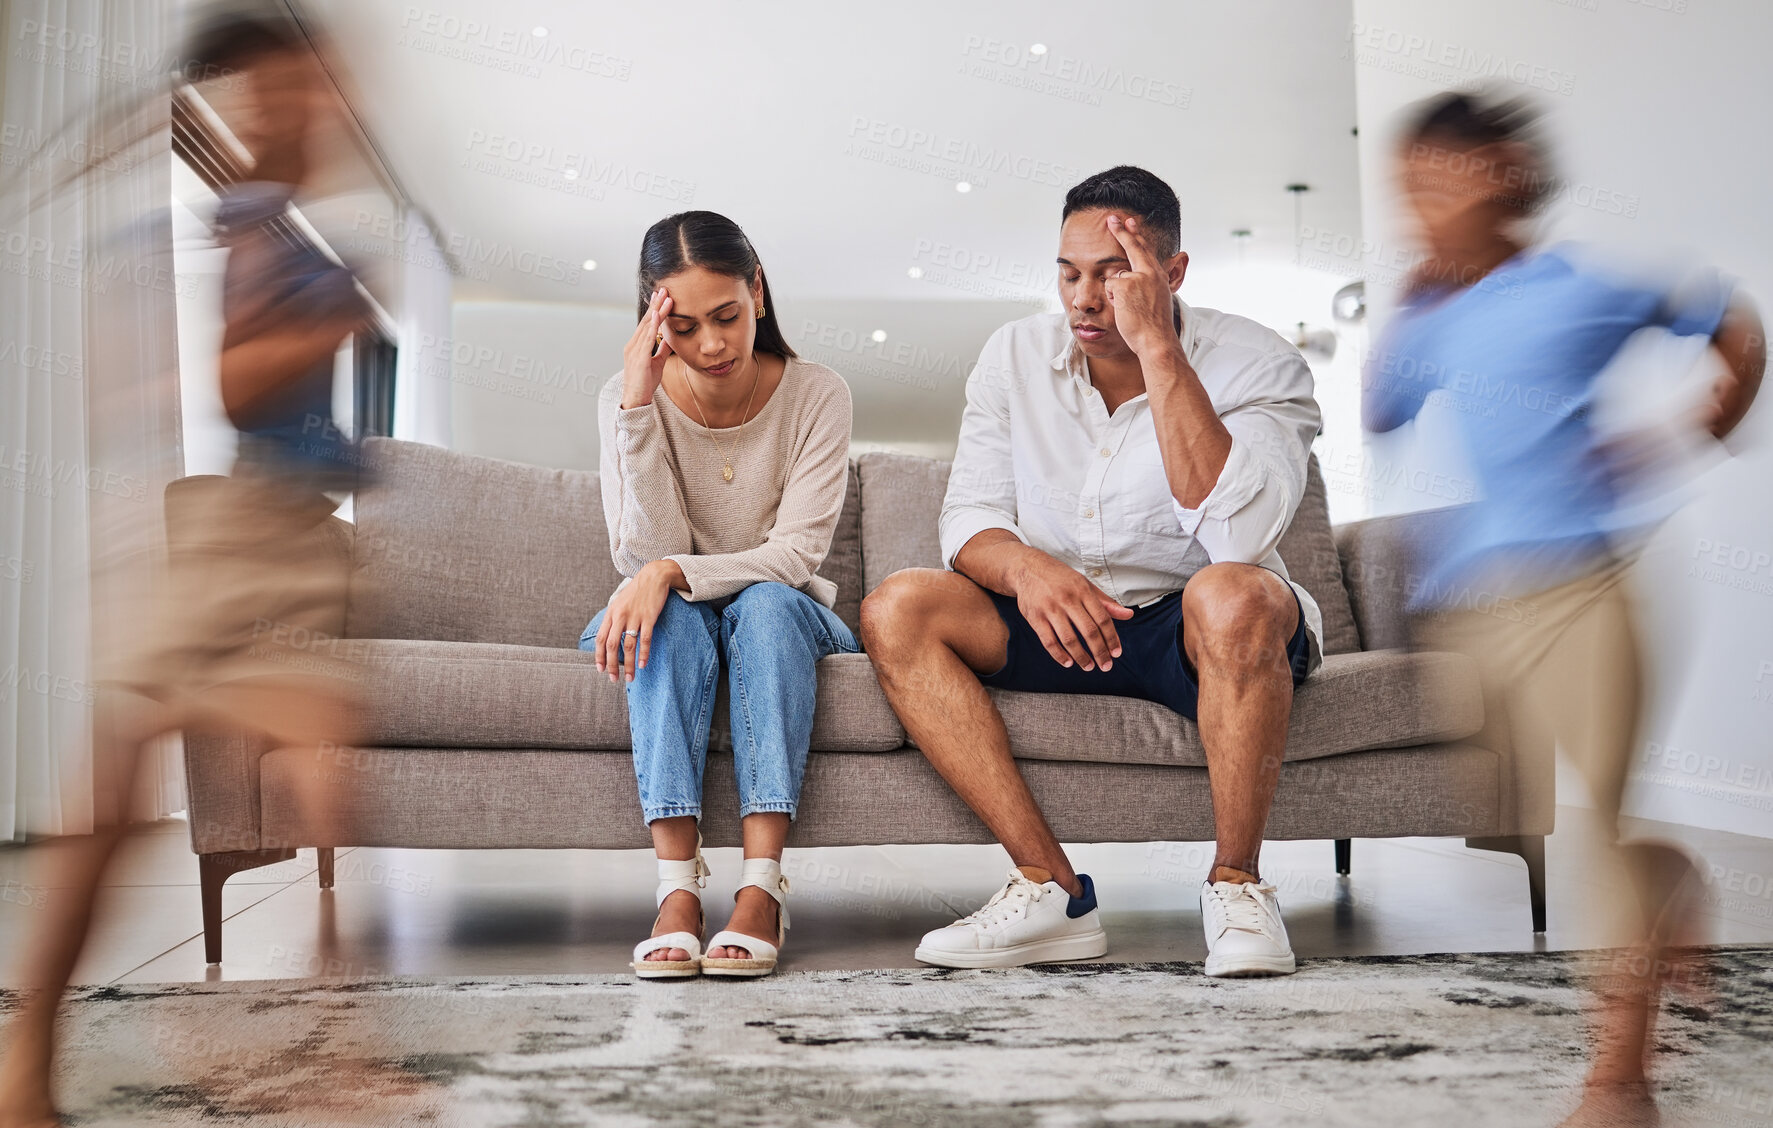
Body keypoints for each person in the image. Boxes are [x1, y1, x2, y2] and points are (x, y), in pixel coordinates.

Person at [0, 12, 375, 1126]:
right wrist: (334, 324)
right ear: (258, 109)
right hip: (249, 543)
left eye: (323, 89)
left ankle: (39, 1053)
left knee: (282, 769)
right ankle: (325, 1059)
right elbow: (236, 385)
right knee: (207, 783)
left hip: (282, 537)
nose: (323, 111)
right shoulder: (263, 224)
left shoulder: (269, 221)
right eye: (299, 93)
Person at [1362, 89, 1763, 1128]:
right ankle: (1673, 882)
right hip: (1473, 613)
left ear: (1500, 174)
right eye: (1405, 188)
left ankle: (1619, 1084)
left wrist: (1704, 420)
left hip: (1585, 592)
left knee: (1593, 833)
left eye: (1433, 181)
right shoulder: (1436, 311)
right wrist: (1409, 304)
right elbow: (1382, 410)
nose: (1417, 207)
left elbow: (1731, 323)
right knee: (1580, 828)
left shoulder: (1582, 285)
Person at [861, 166, 1322, 976]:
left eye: (1111, 274)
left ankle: (1237, 886)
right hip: (1052, 618)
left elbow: (1239, 535)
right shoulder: (1013, 353)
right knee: (899, 607)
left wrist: (1158, 350)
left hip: (1189, 626)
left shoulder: (1257, 362)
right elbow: (967, 518)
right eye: (1068, 273)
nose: (1082, 298)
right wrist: (1029, 570)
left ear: (1169, 274)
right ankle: (1050, 890)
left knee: (1235, 592)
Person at [583, 211, 855, 980]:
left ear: (758, 292)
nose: (711, 345)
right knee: (663, 616)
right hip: (676, 618)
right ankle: (676, 892)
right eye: (688, 326)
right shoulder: (624, 398)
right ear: (652, 322)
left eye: (727, 316)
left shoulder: (817, 393)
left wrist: (672, 572)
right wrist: (638, 412)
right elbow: (643, 552)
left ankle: (761, 888)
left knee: (761, 607)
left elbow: (796, 553)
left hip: (786, 610)